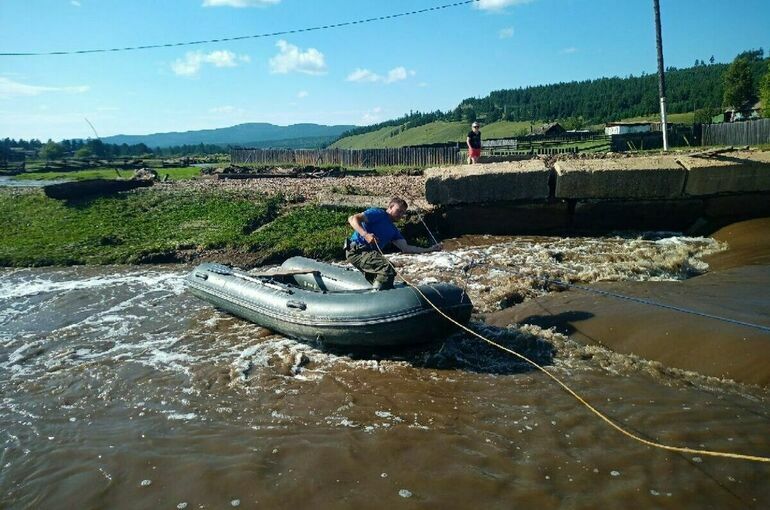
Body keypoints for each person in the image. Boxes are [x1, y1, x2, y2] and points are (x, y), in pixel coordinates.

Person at [345, 197, 442, 290]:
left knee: (385, 274)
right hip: (357, 251)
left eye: (403, 212)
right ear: (390, 207)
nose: (400, 215)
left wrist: (430, 249)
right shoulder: (378, 213)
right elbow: (352, 219)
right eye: (398, 211)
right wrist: (365, 235)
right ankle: (379, 295)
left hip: (369, 254)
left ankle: (378, 292)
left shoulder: (393, 230)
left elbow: (406, 248)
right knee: (387, 268)